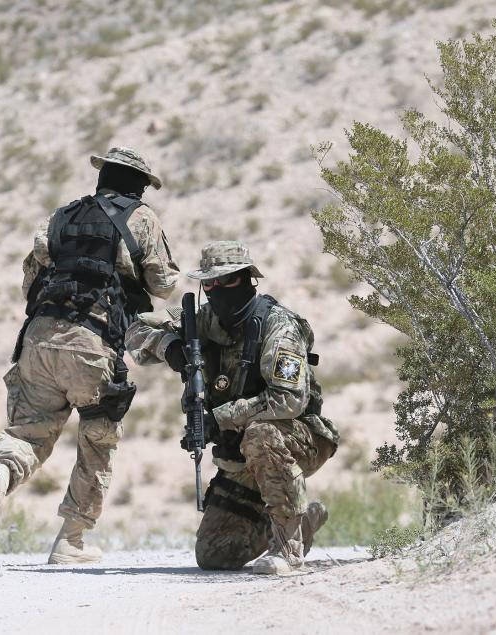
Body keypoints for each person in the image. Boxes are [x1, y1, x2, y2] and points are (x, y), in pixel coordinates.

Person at [0, 147, 179, 564]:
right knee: (97, 442)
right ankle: (71, 541)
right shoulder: (143, 218)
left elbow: (30, 282)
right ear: (138, 185)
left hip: (39, 338)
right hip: (94, 342)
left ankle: (2, 470)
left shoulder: (62, 216)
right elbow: (164, 284)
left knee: (30, 432)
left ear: (103, 176)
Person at [125, 240, 340, 575]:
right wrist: (170, 349)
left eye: (226, 281)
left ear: (246, 279)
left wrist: (220, 417)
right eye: (209, 283)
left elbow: (289, 399)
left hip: (300, 438)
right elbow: (135, 329)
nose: (216, 290)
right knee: (215, 555)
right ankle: (302, 521)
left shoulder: (277, 326)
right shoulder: (201, 321)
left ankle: (288, 549)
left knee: (262, 434)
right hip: (241, 453)